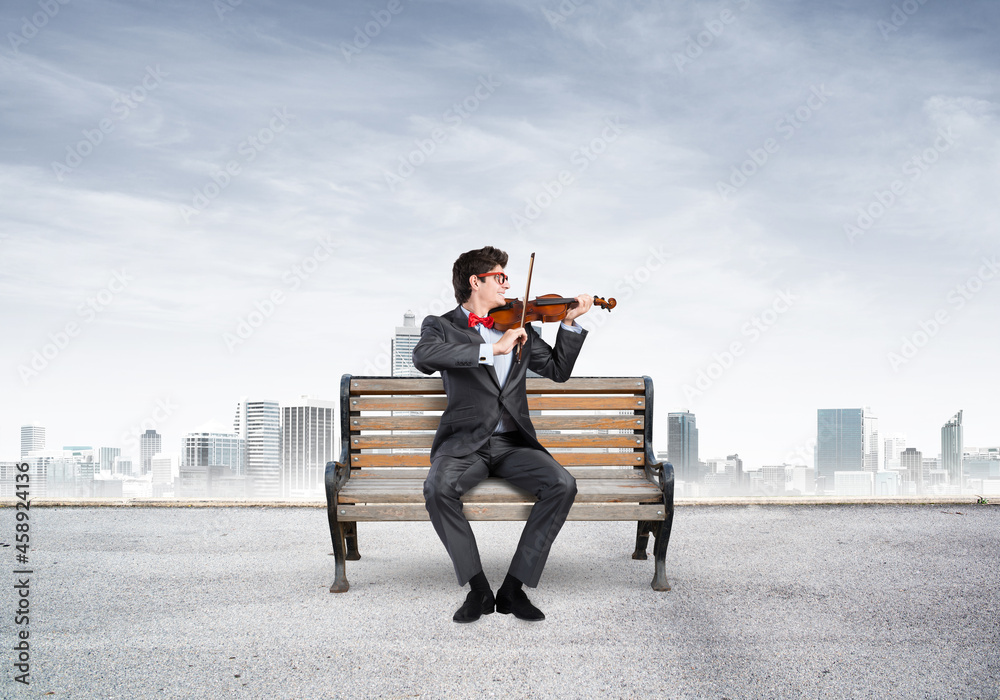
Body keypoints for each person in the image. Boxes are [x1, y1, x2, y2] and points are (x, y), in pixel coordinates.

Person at [412, 246, 593, 623]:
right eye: (500, 277)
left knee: (562, 483)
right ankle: (479, 590)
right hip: (465, 446)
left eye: (507, 277)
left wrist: (570, 323)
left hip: (512, 443)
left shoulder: (517, 325)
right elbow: (424, 357)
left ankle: (513, 588)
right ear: (476, 281)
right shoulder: (441, 325)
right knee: (436, 489)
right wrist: (491, 348)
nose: (507, 283)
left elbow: (558, 370)